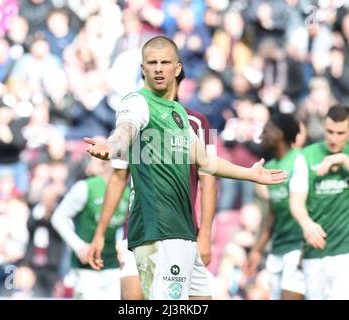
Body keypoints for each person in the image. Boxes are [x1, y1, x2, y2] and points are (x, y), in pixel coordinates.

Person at [84, 35, 287, 300]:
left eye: (165, 62)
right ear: (142, 68)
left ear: (177, 68)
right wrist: (113, 147)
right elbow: (125, 129)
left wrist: (249, 174)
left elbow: (205, 163)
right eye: (152, 63)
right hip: (158, 232)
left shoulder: (183, 117)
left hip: (183, 233)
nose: (158, 68)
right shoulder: (136, 102)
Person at [88, 68, 218, 300]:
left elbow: (209, 180)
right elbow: (118, 179)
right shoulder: (133, 122)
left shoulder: (199, 122)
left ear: (177, 81)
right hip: (137, 230)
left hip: (180, 232)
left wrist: (205, 233)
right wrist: (100, 233)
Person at [51, 147, 130, 300]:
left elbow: (126, 227)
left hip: (113, 266)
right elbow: (58, 217)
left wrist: (123, 245)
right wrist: (78, 246)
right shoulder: (86, 187)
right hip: (86, 268)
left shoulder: (127, 193)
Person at [289, 104, 349, 300]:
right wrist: (306, 224)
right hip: (316, 248)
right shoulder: (306, 156)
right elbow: (296, 200)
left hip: (345, 250)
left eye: (341, 133)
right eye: (330, 131)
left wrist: (341, 160)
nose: (334, 138)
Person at [246, 114, 305, 300]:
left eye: (266, 130)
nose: (261, 135)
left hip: (299, 247)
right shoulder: (270, 166)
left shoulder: (300, 160)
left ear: (279, 134)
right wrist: (257, 249)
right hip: (278, 248)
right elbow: (272, 213)